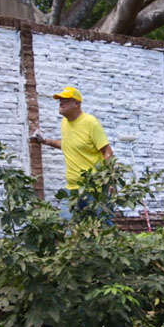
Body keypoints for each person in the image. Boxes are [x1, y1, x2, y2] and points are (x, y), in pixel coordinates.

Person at [30, 86, 114, 224]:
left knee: (102, 226)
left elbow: (107, 151)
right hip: (72, 189)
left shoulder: (90, 123)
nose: (61, 103)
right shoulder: (65, 123)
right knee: (66, 224)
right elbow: (68, 144)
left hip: (94, 189)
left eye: (65, 100)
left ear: (76, 103)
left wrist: (108, 180)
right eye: (60, 100)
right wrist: (45, 141)